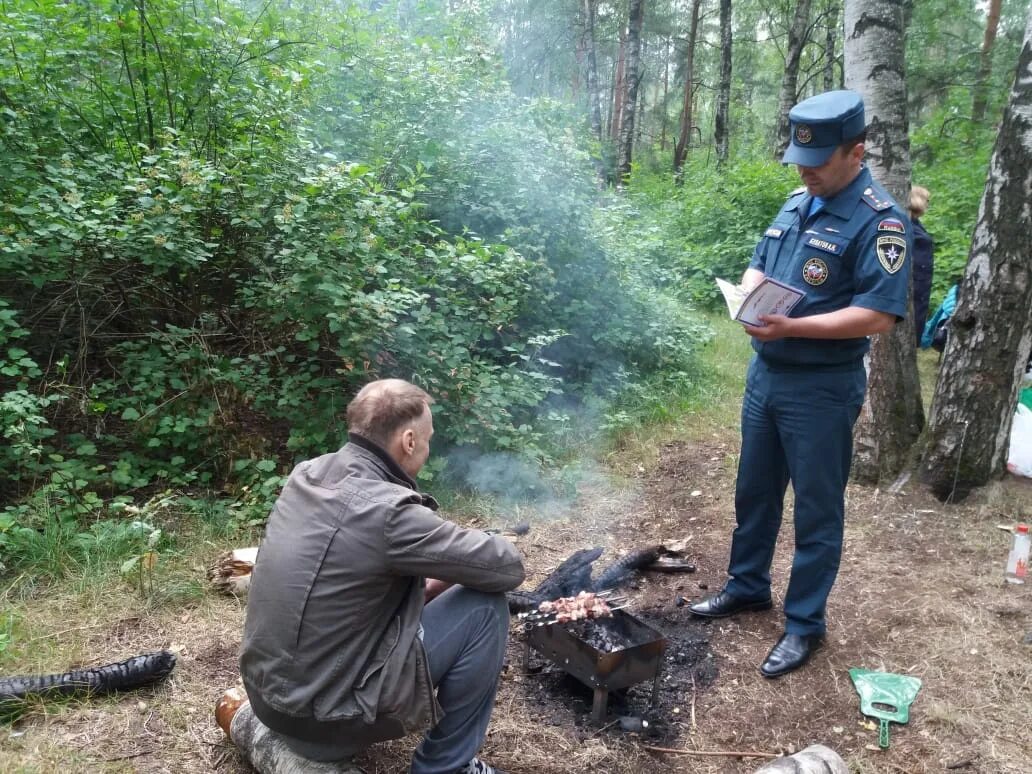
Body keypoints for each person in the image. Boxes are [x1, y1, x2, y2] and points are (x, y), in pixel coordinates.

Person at [689, 91, 911, 678]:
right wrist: (748, 291)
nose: (804, 171)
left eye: (816, 162)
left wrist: (794, 326)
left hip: (822, 387)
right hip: (767, 377)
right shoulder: (797, 200)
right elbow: (762, 260)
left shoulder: (879, 220)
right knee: (754, 492)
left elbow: (879, 315)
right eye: (798, 161)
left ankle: (805, 624)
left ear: (856, 152)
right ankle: (747, 586)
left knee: (816, 510)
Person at [239, 379, 526, 774]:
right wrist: (479, 549)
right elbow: (507, 567)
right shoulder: (390, 512)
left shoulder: (306, 475)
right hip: (324, 723)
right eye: (428, 439)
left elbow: (357, 586)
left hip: (268, 700)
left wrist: (443, 574)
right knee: (485, 608)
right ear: (408, 441)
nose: (427, 447)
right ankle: (445, 768)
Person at [909, 186, 935, 346]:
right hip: (915, 287)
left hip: (920, 288)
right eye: (926, 200)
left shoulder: (915, 224)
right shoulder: (909, 227)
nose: (927, 204)